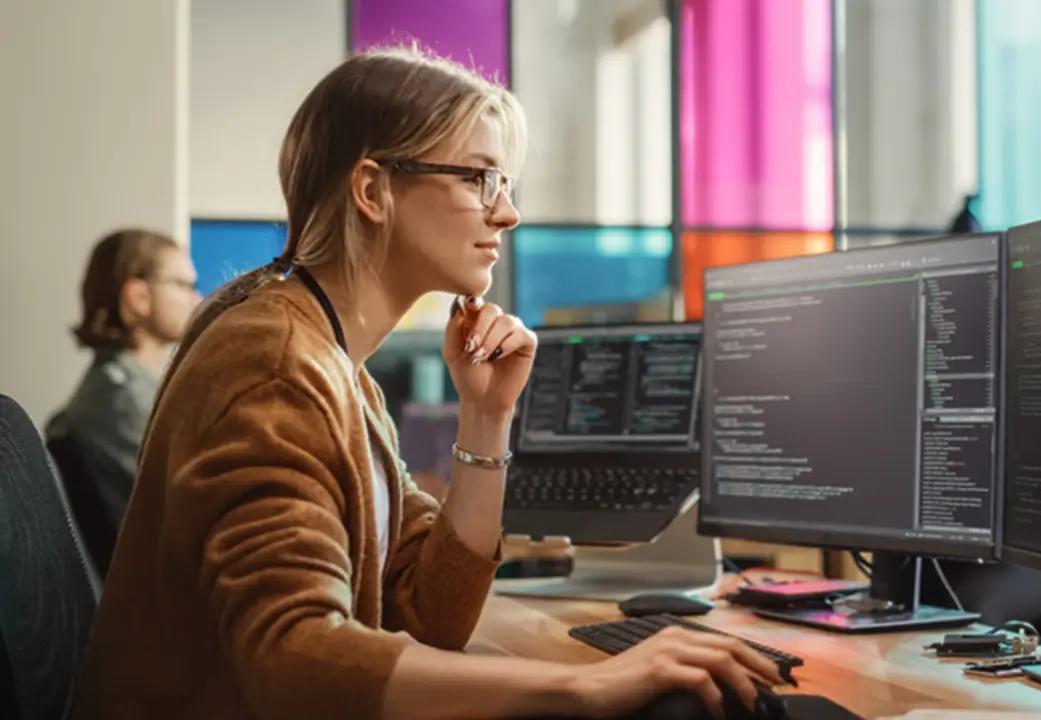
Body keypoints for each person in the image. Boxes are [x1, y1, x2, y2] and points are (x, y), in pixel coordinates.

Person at [70, 47, 781, 720]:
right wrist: (586, 684)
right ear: (373, 190)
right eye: (478, 178)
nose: (508, 212)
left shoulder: (332, 356)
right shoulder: (277, 360)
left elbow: (430, 614)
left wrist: (485, 417)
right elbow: (291, 657)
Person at [46, 228, 201, 537]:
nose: (198, 298)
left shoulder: (120, 390)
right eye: (184, 285)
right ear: (138, 297)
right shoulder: (122, 401)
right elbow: (197, 508)